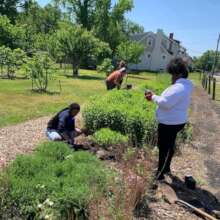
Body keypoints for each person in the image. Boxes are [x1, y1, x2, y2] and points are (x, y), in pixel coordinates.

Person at [145, 58, 193, 180]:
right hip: (178, 121)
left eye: (173, 74)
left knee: (163, 147)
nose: (172, 77)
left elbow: (166, 103)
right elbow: (171, 100)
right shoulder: (185, 86)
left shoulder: (178, 87)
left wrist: (153, 96)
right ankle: (166, 168)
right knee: (170, 144)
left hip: (169, 123)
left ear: (179, 74)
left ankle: (160, 174)